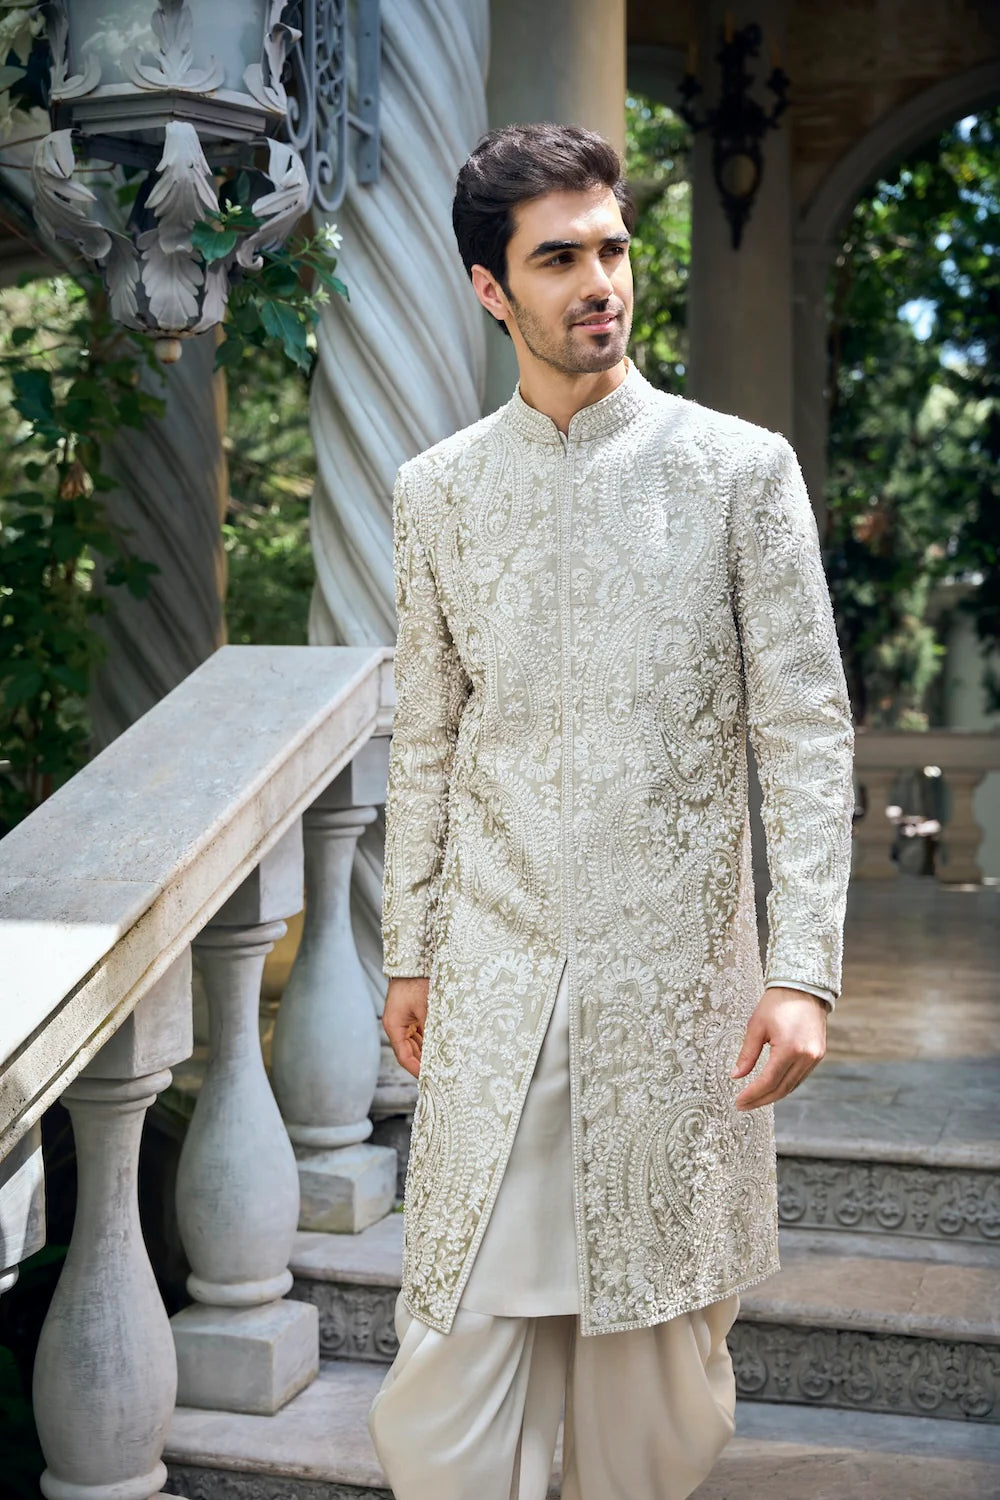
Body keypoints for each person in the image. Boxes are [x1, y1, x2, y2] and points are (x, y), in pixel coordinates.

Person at [368, 122, 855, 1500]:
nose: (601, 283)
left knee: (657, 1387)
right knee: (450, 1368)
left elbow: (805, 730)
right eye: (559, 259)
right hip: (497, 977)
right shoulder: (439, 492)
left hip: (673, 986)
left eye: (614, 249)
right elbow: (430, 738)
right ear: (491, 289)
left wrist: (803, 970)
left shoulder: (738, 471)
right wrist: (410, 953)